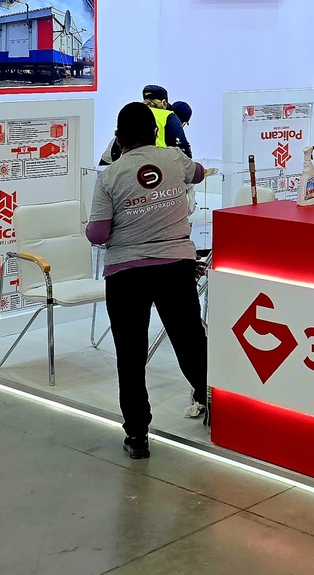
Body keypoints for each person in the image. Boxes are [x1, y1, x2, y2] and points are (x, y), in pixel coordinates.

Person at [87, 102, 209, 459]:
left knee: (130, 354)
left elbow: (98, 233)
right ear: (154, 132)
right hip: (175, 267)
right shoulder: (173, 158)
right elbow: (199, 173)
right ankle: (215, 405)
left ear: (118, 137)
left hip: (126, 274)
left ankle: (138, 435)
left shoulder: (109, 176)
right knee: (190, 342)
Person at [102, 84, 191, 163]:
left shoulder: (134, 114)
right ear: (164, 102)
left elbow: (115, 151)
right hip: (159, 165)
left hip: (132, 164)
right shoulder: (168, 116)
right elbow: (182, 147)